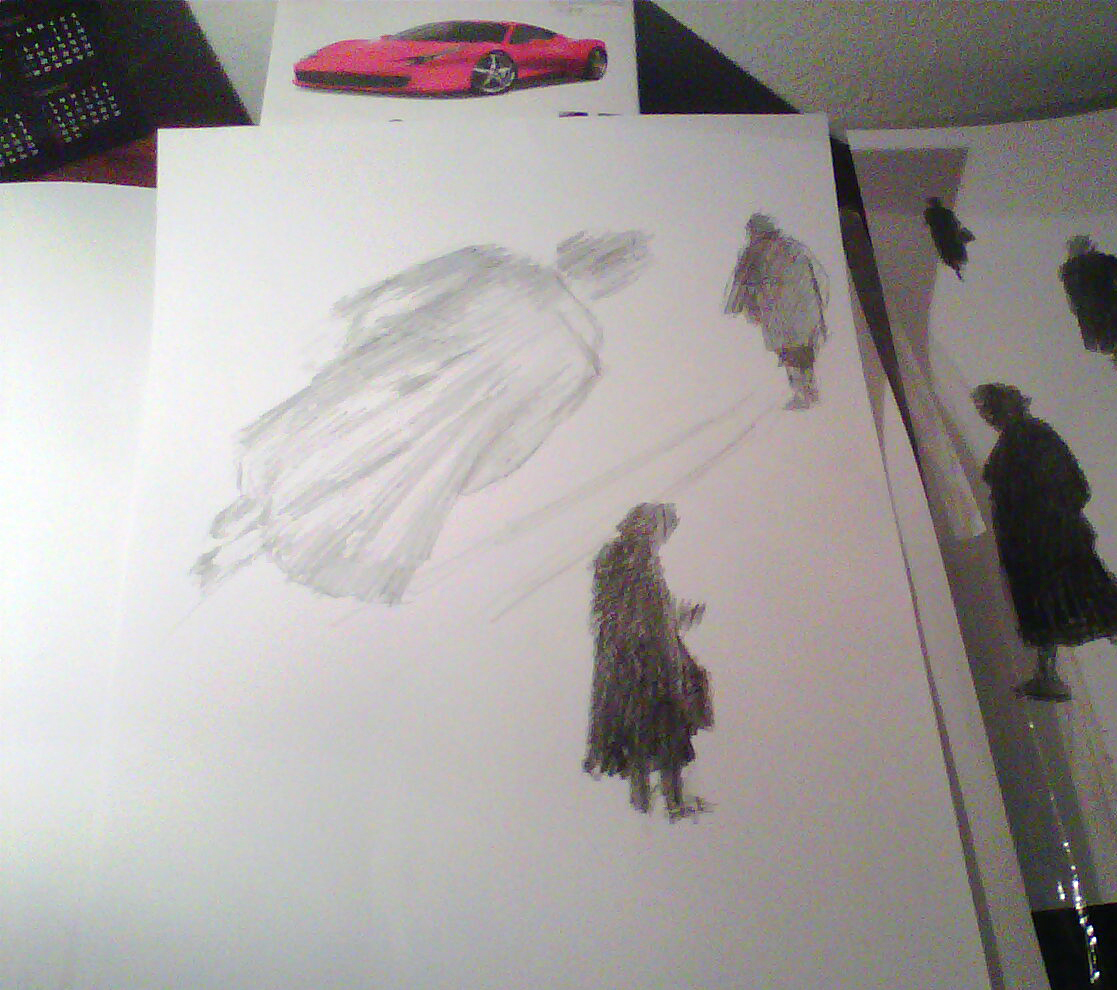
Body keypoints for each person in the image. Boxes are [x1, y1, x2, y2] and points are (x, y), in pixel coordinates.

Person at [192, 234, 649, 604]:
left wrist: (357, 344)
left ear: (571, 248)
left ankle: (241, 528)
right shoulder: (576, 360)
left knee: (309, 455)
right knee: (346, 507)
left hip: (382, 385)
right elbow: (510, 449)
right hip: (435, 448)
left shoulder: (495, 265)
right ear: (612, 286)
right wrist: (456, 473)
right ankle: (244, 551)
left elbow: (392, 302)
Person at [973, 383, 1117, 703]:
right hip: (1031, 546)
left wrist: (1050, 518)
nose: (988, 417)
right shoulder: (1014, 441)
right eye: (984, 412)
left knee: (1091, 604)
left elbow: (1074, 486)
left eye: (990, 409)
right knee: (1046, 608)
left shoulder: (1035, 437)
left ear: (1007, 405)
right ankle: (1048, 675)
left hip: (1055, 542)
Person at [583, 502, 714, 819]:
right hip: (649, 662)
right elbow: (653, 612)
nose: (663, 539)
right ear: (651, 528)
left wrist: (677, 616)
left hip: (620, 665)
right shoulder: (640, 561)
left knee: (636, 736)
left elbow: (625, 612)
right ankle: (672, 803)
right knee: (666, 729)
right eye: (664, 531)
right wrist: (681, 618)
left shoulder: (612, 557)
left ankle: (642, 803)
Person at [723, 213, 828, 409]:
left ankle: (804, 393)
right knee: (801, 352)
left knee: (791, 354)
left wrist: (734, 307)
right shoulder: (795, 248)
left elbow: (740, 285)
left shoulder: (753, 254)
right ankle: (808, 391)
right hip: (801, 313)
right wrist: (819, 306)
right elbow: (821, 277)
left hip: (781, 315)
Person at [1059, 234, 1117, 391]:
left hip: (1091, 316)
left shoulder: (1068, 271)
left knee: (1114, 345)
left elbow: (1072, 301)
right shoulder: (1099, 260)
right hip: (1112, 307)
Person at [923, 196, 975, 279]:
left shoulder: (930, 214)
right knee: (950, 248)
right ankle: (957, 267)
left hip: (943, 237)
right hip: (948, 236)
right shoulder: (946, 213)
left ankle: (957, 267)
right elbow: (955, 224)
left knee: (948, 249)